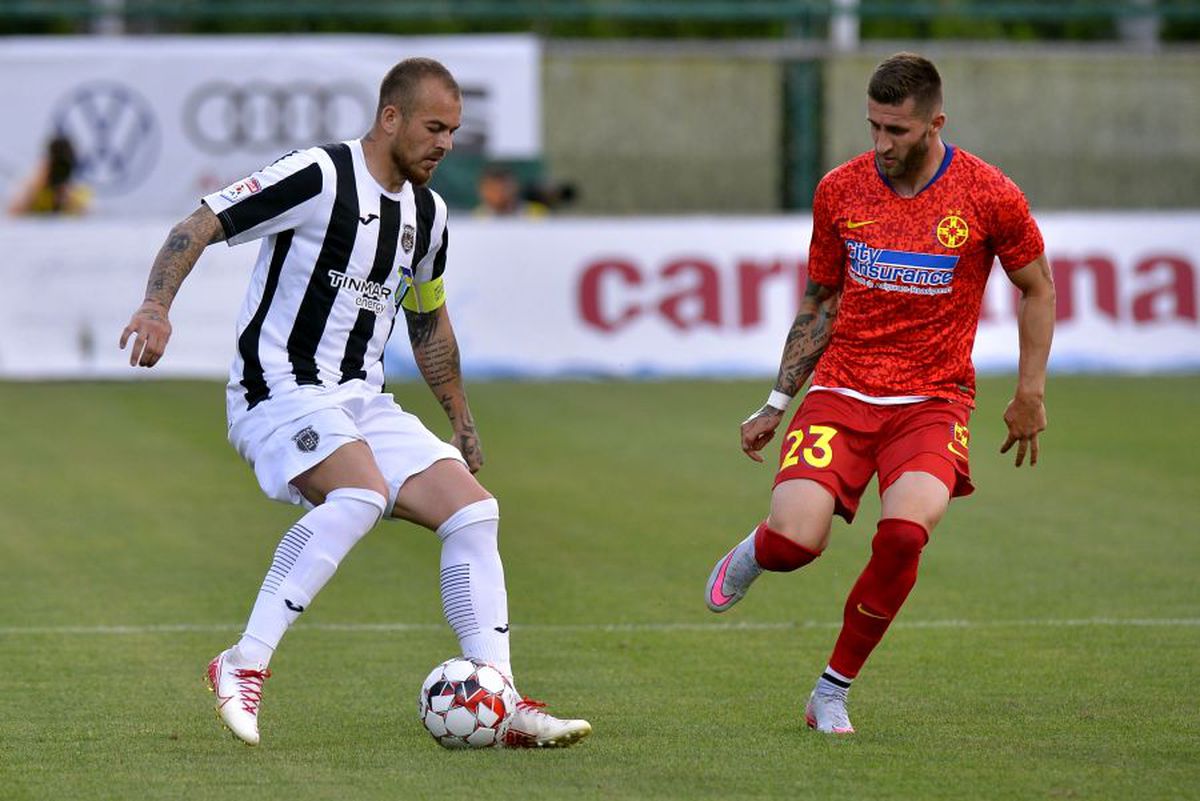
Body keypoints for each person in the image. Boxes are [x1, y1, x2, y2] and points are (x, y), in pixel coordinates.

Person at [119, 57, 591, 748]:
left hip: (359, 399)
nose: (445, 145)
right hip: (275, 389)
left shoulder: (427, 214)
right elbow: (201, 223)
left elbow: (429, 319)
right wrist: (156, 304)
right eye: (434, 127)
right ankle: (242, 661)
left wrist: (459, 417)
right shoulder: (318, 174)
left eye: (455, 132)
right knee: (361, 494)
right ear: (391, 117)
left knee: (474, 510)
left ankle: (499, 694)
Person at [704, 52, 1055, 734]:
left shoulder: (988, 193)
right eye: (873, 127)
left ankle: (830, 691)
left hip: (934, 399)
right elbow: (820, 300)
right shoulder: (840, 190)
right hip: (842, 389)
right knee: (797, 541)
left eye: (896, 131)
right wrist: (776, 404)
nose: (881, 145)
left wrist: (1030, 390)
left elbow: (1036, 286)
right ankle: (757, 550)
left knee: (903, 533)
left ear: (934, 124)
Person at [7, 133, 90, 216]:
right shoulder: (35, 189)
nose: (60, 172)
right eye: (57, 166)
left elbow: (89, 217)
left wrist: (69, 200)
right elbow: (12, 213)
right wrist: (35, 185)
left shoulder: (78, 192)